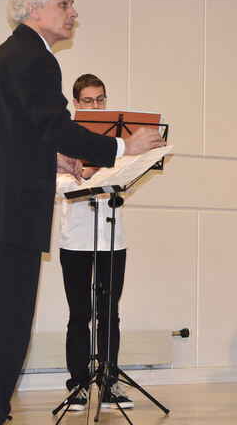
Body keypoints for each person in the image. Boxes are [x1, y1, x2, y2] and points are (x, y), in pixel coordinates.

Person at [0, 0, 165, 425]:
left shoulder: (0, 56)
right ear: (33, 11)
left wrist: (52, 158)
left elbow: (11, 135)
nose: (73, 12)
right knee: (7, 324)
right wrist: (124, 146)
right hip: (11, 214)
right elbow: (56, 125)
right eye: (65, 3)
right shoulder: (37, 59)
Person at [56, 74, 132, 411]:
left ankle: (109, 381)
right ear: (76, 103)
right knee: (79, 314)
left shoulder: (115, 139)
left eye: (100, 99)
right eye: (88, 100)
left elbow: (127, 176)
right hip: (75, 238)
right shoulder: (63, 136)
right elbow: (57, 185)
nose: (96, 106)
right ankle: (78, 384)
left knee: (109, 314)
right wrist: (86, 175)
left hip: (112, 238)